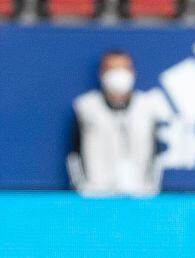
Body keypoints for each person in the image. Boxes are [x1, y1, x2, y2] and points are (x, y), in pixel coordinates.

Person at [68, 50, 163, 197]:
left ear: (132, 72)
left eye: (123, 69)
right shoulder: (85, 107)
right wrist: (82, 189)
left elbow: (157, 154)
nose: (118, 75)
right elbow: (74, 155)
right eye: (112, 69)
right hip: (96, 196)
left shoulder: (147, 107)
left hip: (139, 195)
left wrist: (151, 190)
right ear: (101, 73)